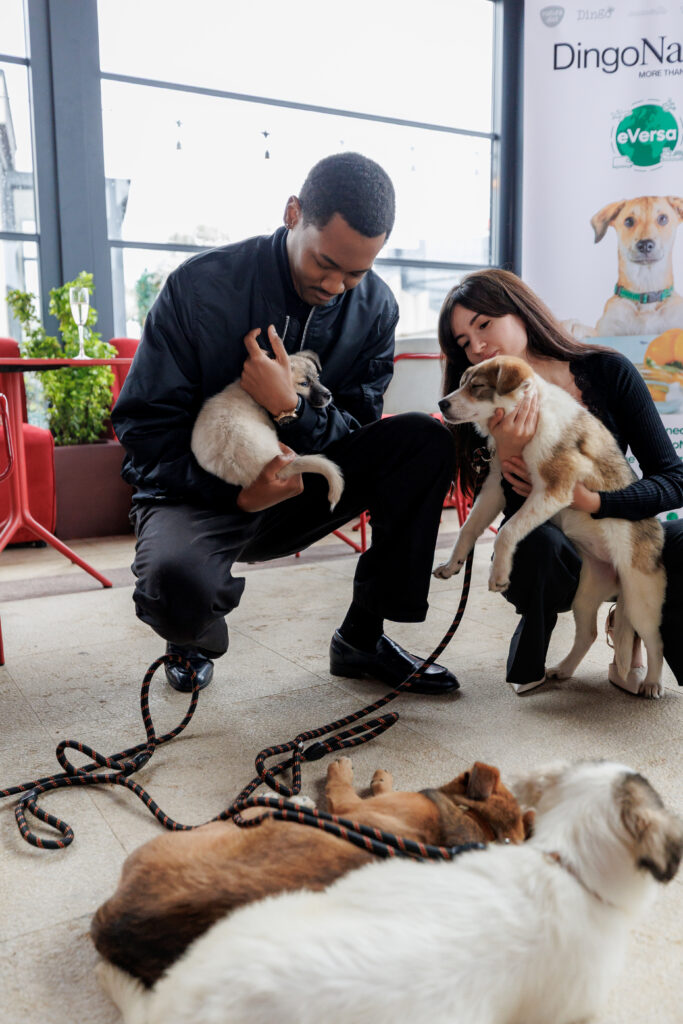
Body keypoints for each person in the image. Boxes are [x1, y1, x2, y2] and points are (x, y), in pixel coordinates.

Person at [113, 152, 458, 695]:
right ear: (293, 213)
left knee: (425, 440)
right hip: (199, 496)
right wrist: (237, 492)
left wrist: (291, 409)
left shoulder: (375, 308)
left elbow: (358, 433)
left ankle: (362, 639)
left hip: (307, 486)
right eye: (325, 263)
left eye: (357, 272)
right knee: (174, 586)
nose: (338, 285)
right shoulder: (199, 287)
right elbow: (144, 428)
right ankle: (191, 635)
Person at [437, 268, 683, 694]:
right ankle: (535, 646)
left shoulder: (607, 370)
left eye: (483, 324)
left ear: (520, 311)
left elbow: (674, 479)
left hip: (616, 529)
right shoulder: (481, 404)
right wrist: (509, 450)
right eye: (463, 342)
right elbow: (502, 507)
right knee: (534, 545)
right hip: (556, 552)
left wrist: (598, 503)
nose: (475, 346)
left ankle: (632, 630)